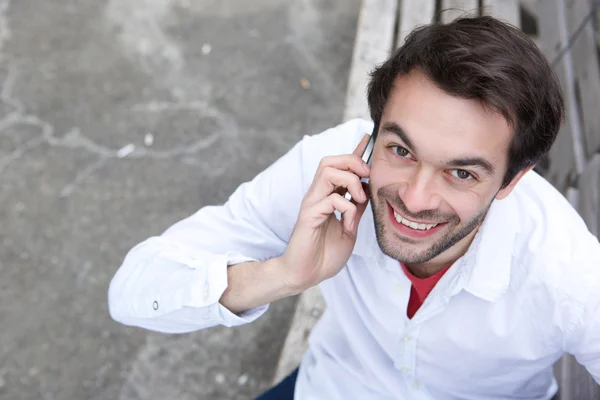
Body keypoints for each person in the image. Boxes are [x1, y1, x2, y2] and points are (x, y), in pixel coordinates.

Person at [108, 15, 600, 400]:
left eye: (461, 173)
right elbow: (132, 291)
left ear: (512, 181)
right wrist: (281, 276)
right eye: (401, 151)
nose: (414, 197)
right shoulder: (330, 172)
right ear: (370, 135)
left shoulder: (566, 271)